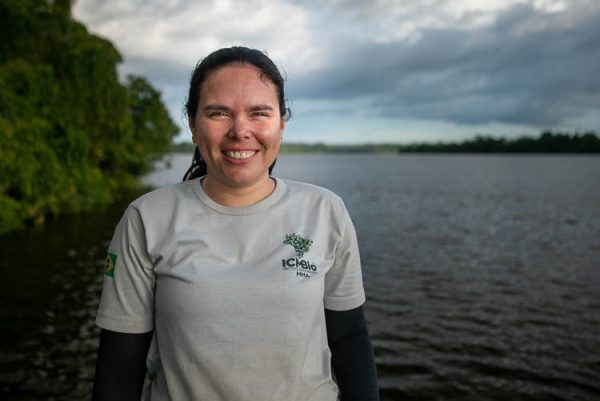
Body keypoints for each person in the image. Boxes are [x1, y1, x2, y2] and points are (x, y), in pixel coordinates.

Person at [92, 46, 379, 401]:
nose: (240, 130)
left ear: (281, 124)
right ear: (193, 124)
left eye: (259, 113)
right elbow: (119, 367)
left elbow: (350, 338)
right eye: (219, 113)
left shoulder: (325, 211)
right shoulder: (147, 219)